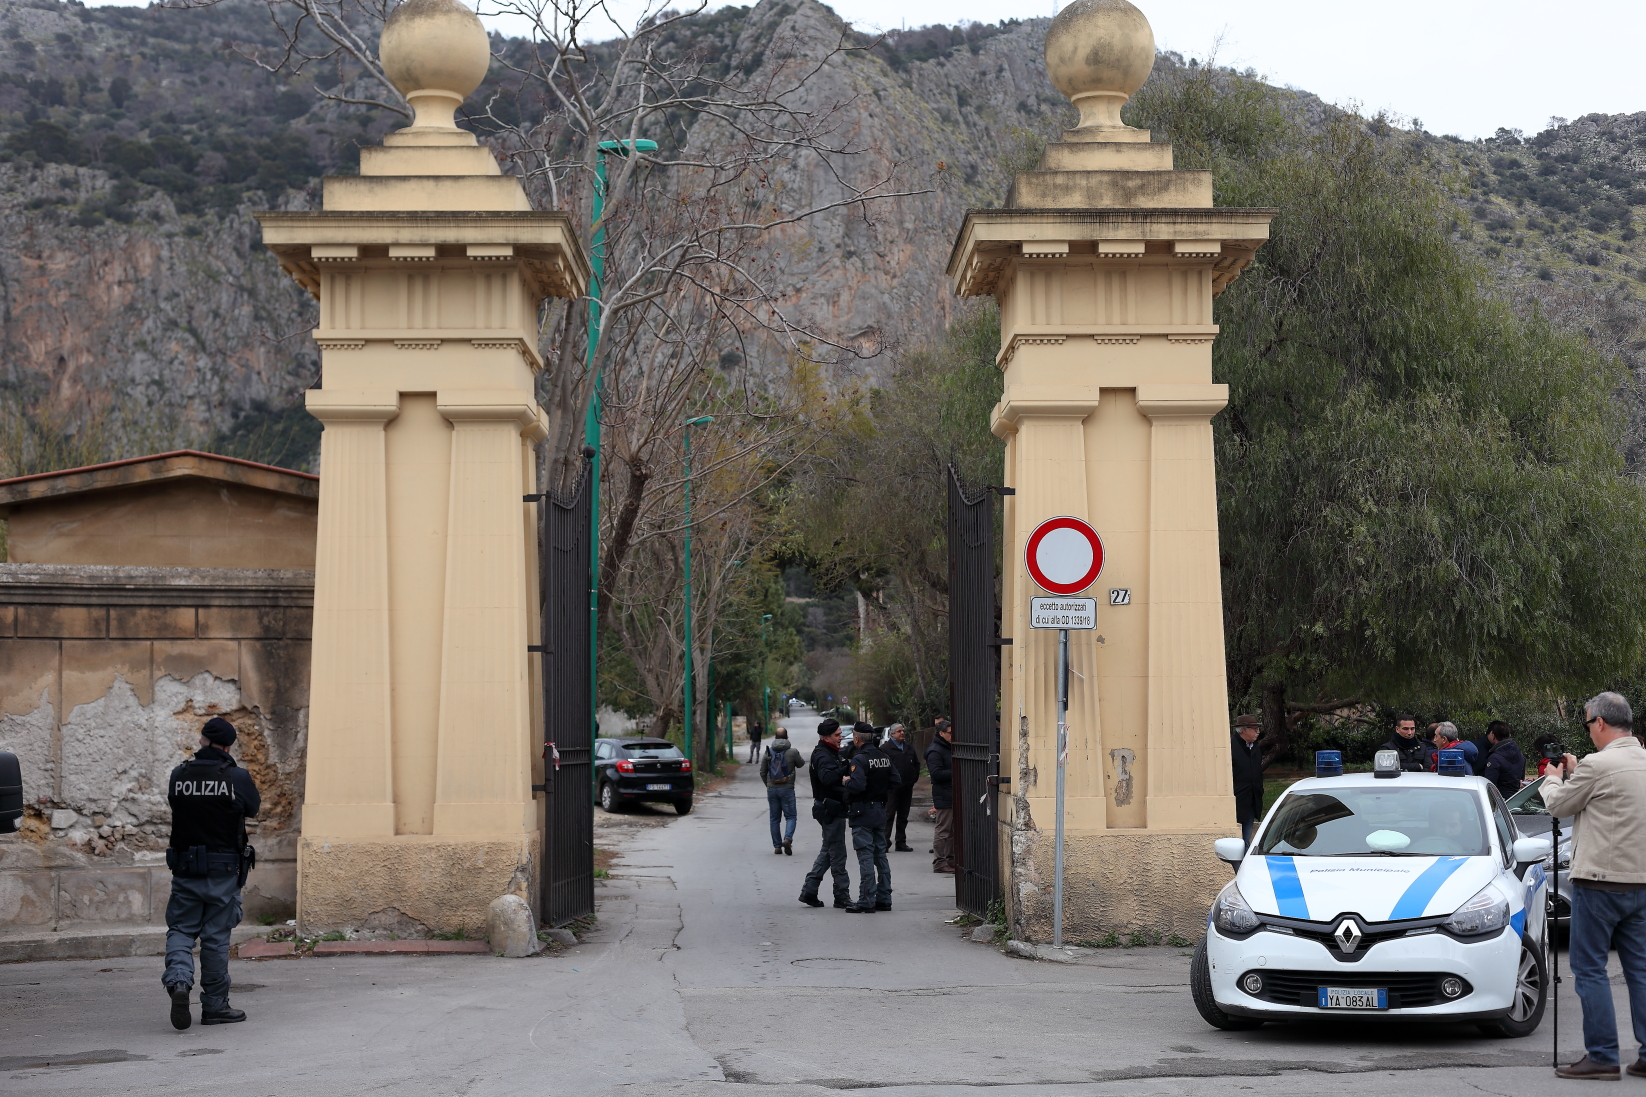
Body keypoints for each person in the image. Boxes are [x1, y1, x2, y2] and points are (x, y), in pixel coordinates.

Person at [1544, 692, 1646, 1080]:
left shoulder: (1597, 764)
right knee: (1640, 970)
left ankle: (1602, 1055)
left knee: (1589, 968)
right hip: (1641, 881)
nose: (1588, 731)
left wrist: (1553, 778)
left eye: (1588, 723)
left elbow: (1559, 805)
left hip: (1599, 882)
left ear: (1599, 722)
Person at [163, 716, 260, 1030]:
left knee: (181, 930)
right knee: (216, 939)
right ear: (228, 746)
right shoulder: (236, 777)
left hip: (185, 868)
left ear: (201, 740)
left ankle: (179, 981)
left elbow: (178, 806)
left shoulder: (179, 774)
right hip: (223, 870)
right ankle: (215, 1006)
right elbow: (253, 808)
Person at [843, 721, 900, 912]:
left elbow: (858, 785)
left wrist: (846, 781)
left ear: (856, 738)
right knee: (880, 855)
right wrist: (879, 788)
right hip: (879, 810)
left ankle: (866, 899)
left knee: (865, 856)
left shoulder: (859, 759)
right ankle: (884, 898)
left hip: (862, 811)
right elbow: (896, 780)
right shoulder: (884, 756)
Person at [799, 719, 853, 909]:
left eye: (840, 734)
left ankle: (809, 890)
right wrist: (845, 770)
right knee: (837, 853)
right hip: (830, 808)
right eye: (837, 735)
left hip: (833, 807)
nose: (841, 737)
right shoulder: (822, 755)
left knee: (829, 851)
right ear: (826, 737)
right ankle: (841, 895)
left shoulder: (830, 753)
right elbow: (828, 778)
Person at [762, 726, 805, 855]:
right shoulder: (792, 752)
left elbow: (762, 771)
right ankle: (787, 839)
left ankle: (777, 847)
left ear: (775, 737)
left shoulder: (768, 752)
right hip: (787, 788)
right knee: (791, 816)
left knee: (774, 819)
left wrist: (769, 785)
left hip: (772, 789)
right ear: (787, 737)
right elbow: (801, 764)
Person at [881, 722, 920, 852]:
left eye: (903, 731)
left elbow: (916, 764)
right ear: (892, 734)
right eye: (899, 731)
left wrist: (913, 779)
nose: (902, 733)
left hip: (907, 787)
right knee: (889, 815)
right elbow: (883, 769)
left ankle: (901, 842)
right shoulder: (885, 748)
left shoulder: (908, 747)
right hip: (892, 789)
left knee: (903, 816)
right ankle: (884, 842)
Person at [926, 717, 955, 874]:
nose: (953, 735)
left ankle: (950, 859)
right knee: (943, 830)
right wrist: (956, 772)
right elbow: (936, 774)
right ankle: (939, 862)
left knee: (951, 831)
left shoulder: (947, 747)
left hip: (950, 793)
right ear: (941, 733)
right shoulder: (935, 750)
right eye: (950, 733)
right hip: (944, 794)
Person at [1230, 714, 1265, 845]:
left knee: (1246, 837)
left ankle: (1244, 855)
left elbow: (1258, 771)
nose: (1258, 732)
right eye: (1255, 729)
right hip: (1237, 801)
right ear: (1244, 730)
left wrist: (1259, 790)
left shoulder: (1255, 747)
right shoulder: (1231, 746)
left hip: (1252, 800)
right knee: (1237, 840)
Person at [1481, 720, 1526, 799]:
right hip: (1515, 799)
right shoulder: (1520, 755)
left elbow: (1489, 786)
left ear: (1493, 735)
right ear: (1509, 735)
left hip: (1500, 800)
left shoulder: (1494, 758)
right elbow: (1521, 778)